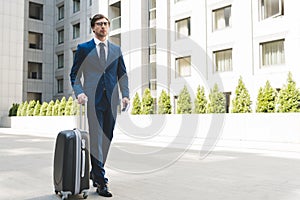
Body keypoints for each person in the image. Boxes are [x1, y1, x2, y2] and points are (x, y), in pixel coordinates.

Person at [70, 14, 130, 197]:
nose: (103, 26)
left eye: (105, 24)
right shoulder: (83, 49)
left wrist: (125, 95)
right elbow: (74, 75)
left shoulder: (116, 50)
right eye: (99, 24)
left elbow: (122, 75)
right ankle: (101, 181)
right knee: (96, 138)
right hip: (92, 100)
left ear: (108, 27)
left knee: (107, 138)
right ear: (93, 28)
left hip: (112, 100)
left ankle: (95, 171)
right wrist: (79, 92)